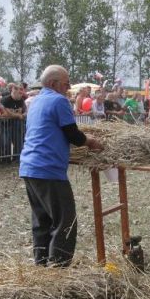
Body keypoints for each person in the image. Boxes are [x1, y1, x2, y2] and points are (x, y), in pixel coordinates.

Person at [19, 65, 102, 267]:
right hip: (48, 169)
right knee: (65, 221)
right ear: (53, 83)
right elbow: (72, 133)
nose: (69, 87)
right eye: (66, 83)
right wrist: (91, 142)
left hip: (29, 167)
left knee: (42, 221)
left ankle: (41, 266)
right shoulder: (58, 100)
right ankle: (57, 269)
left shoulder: (36, 101)